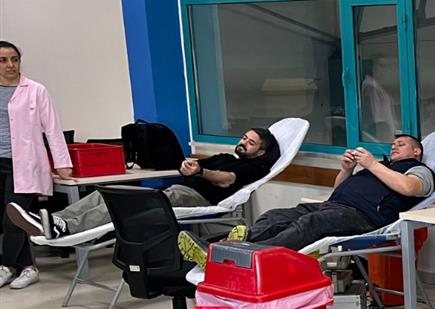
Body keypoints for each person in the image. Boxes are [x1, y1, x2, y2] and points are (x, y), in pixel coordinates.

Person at [179, 134, 434, 263]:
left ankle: (248, 257)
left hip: (365, 217)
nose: (394, 146)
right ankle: (221, 248)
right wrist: (347, 170)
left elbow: (409, 188)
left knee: (310, 224)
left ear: (416, 151)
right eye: (393, 144)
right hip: (335, 206)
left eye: (401, 144)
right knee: (275, 216)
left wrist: (372, 165)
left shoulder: (419, 170)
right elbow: (338, 191)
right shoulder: (381, 166)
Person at [8, 127, 277, 242]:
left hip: (194, 198)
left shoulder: (253, 167)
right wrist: (188, 166)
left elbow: (226, 180)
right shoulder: (226, 157)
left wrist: (201, 171)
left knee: (123, 205)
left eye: (251, 142)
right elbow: (194, 165)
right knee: (107, 194)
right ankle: (54, 221)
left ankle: (67, 227)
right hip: (173, 192)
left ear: (261, 152)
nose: (243, 142)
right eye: (244, 138)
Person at [0, 40, 72, 290]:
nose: (10, 65)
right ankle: (28, 267)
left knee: (14, 218)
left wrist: (62, 163)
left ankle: (7, 266)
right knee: (5, 220)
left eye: (14, 59)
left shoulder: (36, 90)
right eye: (3, 60)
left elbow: (52, 128)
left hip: (24, 163)